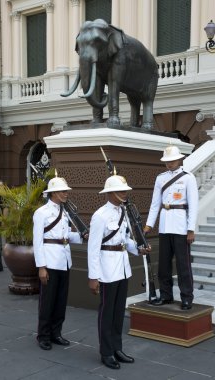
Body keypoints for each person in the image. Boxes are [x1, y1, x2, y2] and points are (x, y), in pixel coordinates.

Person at [88, 174, 151, 370]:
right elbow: (93, 247)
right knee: (107, 313)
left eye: (125, 190)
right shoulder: (100, 216)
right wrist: (93, 276)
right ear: (111, 193)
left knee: (117, 313)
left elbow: (126, 239)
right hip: (106, 270)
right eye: (122, 190)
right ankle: (106, 352)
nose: (125, 193)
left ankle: (117, 348)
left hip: (122, 268)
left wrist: (138, 249)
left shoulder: (124, 212)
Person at [144, 145, 198, 310]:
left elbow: (194, 205)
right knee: (164, 265)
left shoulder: (188, 178)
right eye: (167, 161)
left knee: (183, 265)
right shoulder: (160, 178)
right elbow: (155, 205)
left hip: (181, 226)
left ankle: (187, 297)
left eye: (172, 161)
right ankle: (166, 295)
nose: (169, 164)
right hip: (165, 225)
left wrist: (191, 229)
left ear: (179, 159)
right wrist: (148, 226)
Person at [33, 176, 83, 350]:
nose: (66, 194)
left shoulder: (66, 211)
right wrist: (41, 267)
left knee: (61, 301)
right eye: (63, 191)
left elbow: (67, 235)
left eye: (66, 191)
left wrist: (83, 236)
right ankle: (43, 335)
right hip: (50, 261)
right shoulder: (41, 213)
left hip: (64, 260)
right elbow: (38, 241)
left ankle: (56, 333)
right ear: (53, 193)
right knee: (47, 301)